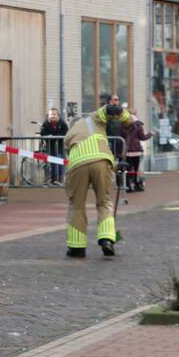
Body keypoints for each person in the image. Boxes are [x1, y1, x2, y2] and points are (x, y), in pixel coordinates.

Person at [64, 104, 133, 258]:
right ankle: (107, 239)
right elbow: (113, 109)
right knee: (104, 201)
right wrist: (130, 121)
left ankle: (77, 247)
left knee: (77, 205)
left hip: (77, 164)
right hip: (102, 161)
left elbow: (85, 157)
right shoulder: (93, 119)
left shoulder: (69, 135)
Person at [121, 110, 152, 192]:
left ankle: (128, 187)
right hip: (137, 151)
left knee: (128, 169)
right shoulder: (138, 124)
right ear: (135, 114)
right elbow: (143, 137)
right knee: (136, 169)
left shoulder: (123, 124)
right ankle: (137, 185)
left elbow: (120, 137)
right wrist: (150, 134)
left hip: (127, 151)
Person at [40, 107, 69, 185]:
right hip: (51, 146)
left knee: (60, 162)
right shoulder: (45, 123)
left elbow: (66, 132)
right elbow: (42, 133)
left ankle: (60, 179)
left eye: (54, 114)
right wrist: (47, 136)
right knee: (52, 161)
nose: (52, 116)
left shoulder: (62, 123)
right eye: (50, 114)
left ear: (58, 115)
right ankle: (53, 179)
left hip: (60, 146)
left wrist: (56, 137)